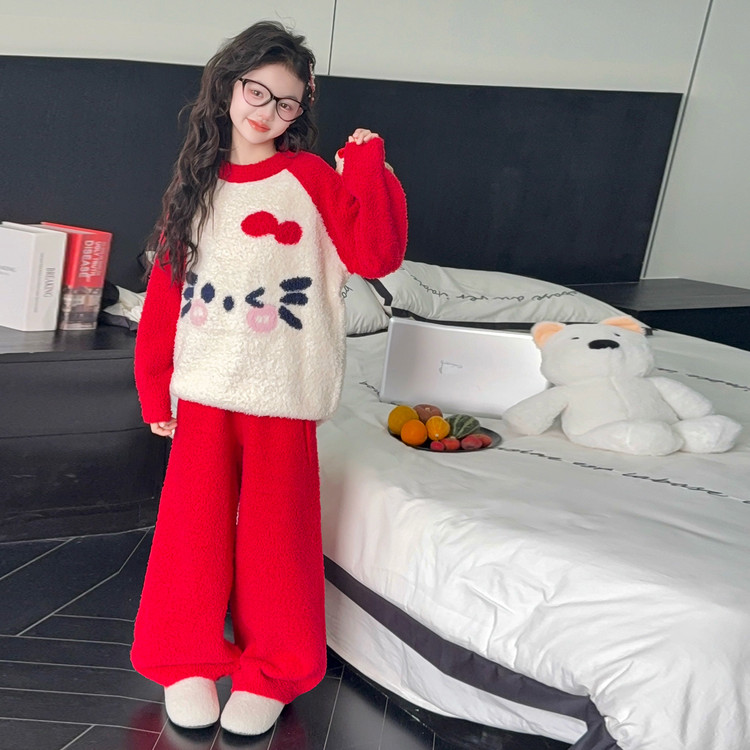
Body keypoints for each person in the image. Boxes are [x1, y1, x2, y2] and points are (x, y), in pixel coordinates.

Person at [130, 20, 407, 736]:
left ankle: (275, 671)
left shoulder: (310, 177)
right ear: (229, 85)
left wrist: (366, 165)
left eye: (286, 103)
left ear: (299, 110)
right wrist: (155, 382)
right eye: (258, 92)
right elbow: (166, 294)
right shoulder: (194, 184)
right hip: (204, 389)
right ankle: (184, 661)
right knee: (190, 536)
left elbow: (375, 256)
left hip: (284, 392)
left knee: (277, 543)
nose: (267, 112)